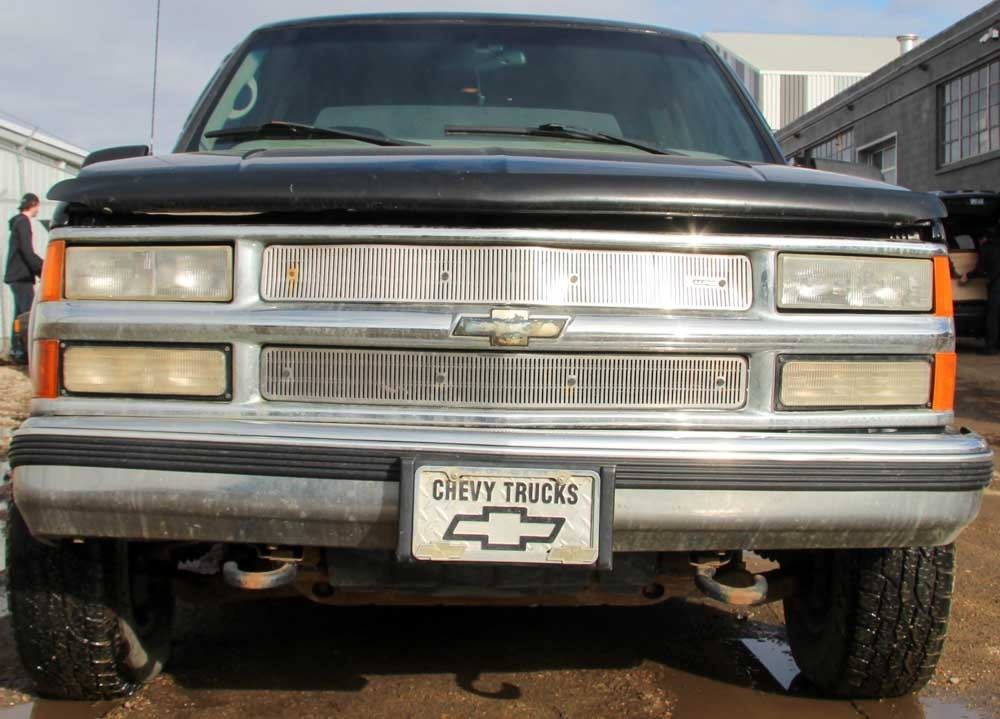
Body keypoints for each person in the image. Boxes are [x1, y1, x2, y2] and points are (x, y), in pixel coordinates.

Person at [5, 193, 44, 363]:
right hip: (21, 276)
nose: (38, 210)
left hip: (16, 276)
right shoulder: (23, 223)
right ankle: (23, 352)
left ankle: (16, 351)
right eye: (37, 206)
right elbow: (27, 252)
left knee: (19, 315)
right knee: (26, 315)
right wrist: (43, 268)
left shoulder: (17, 222)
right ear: (33, 204)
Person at [960, 223, 1000, 355]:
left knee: (993, 315)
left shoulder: (988, 247)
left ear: (982, 239)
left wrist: (967, 276)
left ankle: (991, 347)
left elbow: (981, 269)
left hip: (998, 284)